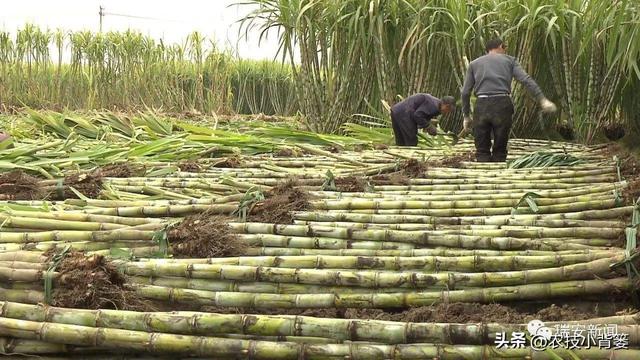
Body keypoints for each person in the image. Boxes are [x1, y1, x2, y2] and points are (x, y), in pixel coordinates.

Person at [461, 38, 557, 162]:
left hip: (482, 106)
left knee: (482, 150)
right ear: (501, 46)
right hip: (502, 104)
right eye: (505, 47)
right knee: (500, 148)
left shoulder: (474, 64)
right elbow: (526, 80)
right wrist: (542, 99)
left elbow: (465, 92)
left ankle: (483, 171)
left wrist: (466, 116)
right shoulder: (510, 61)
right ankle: (499, 171)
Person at [390, 94, 455, 146]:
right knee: (411, 141)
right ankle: (410, 160)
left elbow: (422, 114)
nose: (447, 113)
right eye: (449, 110)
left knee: (401, 142)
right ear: (447, 106)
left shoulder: (436, 104)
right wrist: (428, 126)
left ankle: (401, 160)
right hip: (404, 114)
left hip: (396, 111)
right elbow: (417, 115)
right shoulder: (434, 106)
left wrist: (427, 125)